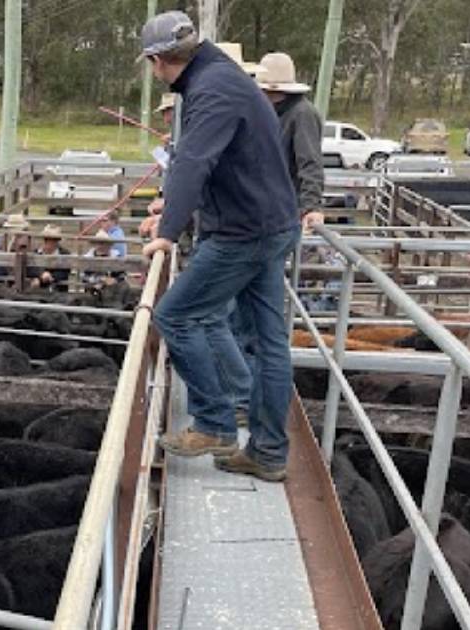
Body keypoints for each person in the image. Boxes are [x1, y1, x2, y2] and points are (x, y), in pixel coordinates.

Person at [138, 11, 300, 482]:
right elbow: (216, 163)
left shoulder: (211, 90)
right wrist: (176, 204)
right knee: (271, 342)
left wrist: (167, 230)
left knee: (175, 314)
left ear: (158, 61)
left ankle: (214, 423)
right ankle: (268, 452)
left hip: (243, 232)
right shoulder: (223, 79)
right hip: (271, 224)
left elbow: (193, 161)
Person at [257, 52, 326, 231]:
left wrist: (310, 206)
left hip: (285, 210)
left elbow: (310, 163)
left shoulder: (303, 114)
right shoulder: (266, 112)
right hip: (264, 208)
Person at [29, 225, 73, 290]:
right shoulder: (36, 252)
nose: (49, 242)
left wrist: (47, 277)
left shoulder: (65, 254)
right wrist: (41, 274)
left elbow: (64, 273)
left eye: (53, 239)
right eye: (47, 239)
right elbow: (31, 269)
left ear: (57, 241)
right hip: (38, 291)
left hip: (58, 291)